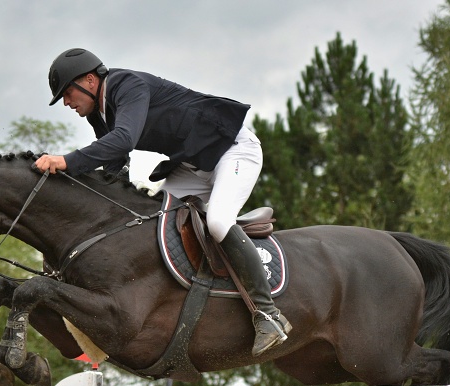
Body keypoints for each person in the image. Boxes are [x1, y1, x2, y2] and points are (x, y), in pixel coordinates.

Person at [37, 48, 290, 355]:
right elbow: (115, 164)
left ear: (90, 81)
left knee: (219, 221)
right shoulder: (99, 113)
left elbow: (123, 140)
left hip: (232, 151)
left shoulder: (127, 85)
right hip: (191, 168)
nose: (66, 103)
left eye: (67, 93)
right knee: (157, 226)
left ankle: (268, 315)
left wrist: (65, 160)